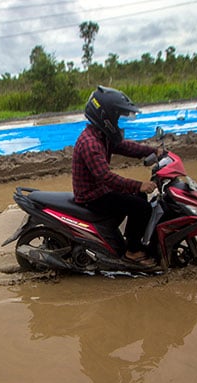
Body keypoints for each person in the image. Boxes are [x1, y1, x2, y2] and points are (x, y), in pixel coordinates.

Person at [72, 86, 161, 266]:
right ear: (106, 117)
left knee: (140, 198)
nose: (118, 121)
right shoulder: (91, 143)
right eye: (117, 117)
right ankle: (132, 252)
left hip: (99, 190)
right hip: (92, 196)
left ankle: (131, 240)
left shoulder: (101, 135)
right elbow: (106, 177)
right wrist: (138, 185)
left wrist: (154, 151)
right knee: (141, 206)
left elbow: (125, 146)